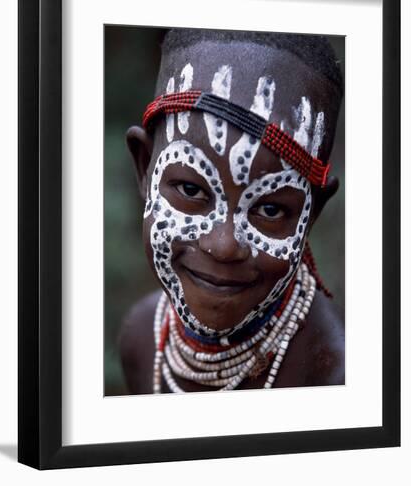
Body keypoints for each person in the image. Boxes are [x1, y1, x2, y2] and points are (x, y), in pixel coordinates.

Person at [119, 29, 345, 394]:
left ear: (311, 213)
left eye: (270, 209)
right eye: (191, 190)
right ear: (146, 167)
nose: (224, 246)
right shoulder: (140, 337)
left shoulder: (341, 378)